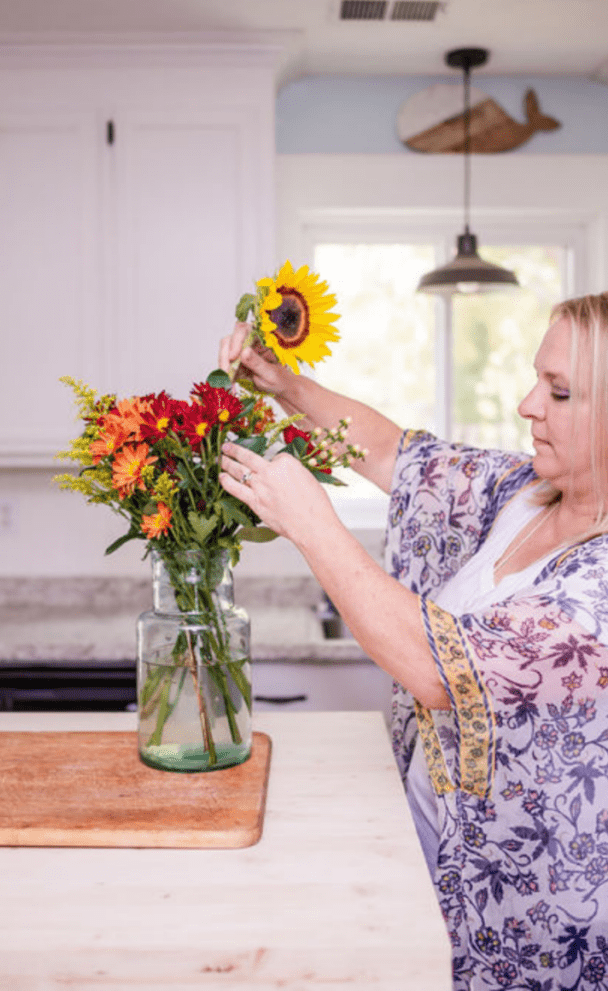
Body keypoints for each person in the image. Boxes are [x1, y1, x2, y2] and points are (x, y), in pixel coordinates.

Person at [219, 293, 608, 991]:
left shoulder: (599, 588)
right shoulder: (524, 493)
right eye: (534, 380)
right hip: (436, 852)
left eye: (558, 391)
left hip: (530, 914)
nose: (527, 404)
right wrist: (285, 385)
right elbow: (396, 454)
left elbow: (444, 671)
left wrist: (313, 523)